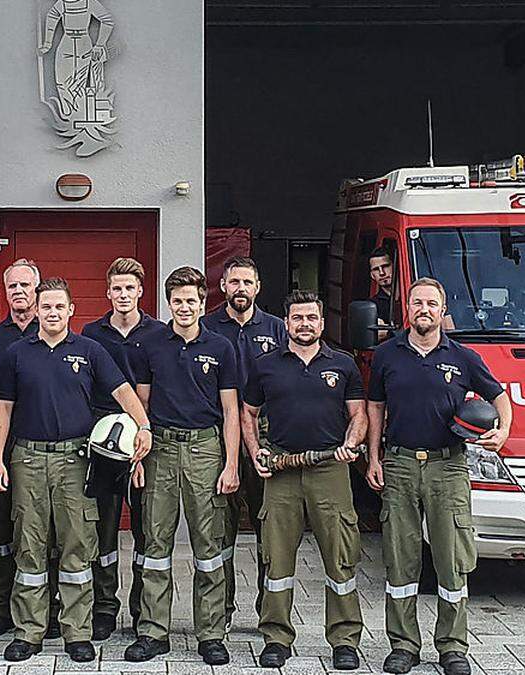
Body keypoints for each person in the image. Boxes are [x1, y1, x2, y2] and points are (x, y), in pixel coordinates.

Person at [0, 277, 153, 664]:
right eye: (46, 307)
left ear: (71, 310)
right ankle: (29, 631)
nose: (52, 313)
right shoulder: (16, 353)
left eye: (59, 307)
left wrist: (143, 427)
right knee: (29, 546)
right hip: (27, 459)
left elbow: (124, 392)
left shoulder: (90, 350)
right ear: (38, 309)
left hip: (75, 461)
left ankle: (77, 630)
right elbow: (3, 411)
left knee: (77, 546)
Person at [365, 278, 512, 675]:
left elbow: (499, 396)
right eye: (417, 303)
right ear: (407, 309)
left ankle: (452, 646)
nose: (423, 309)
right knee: (400, 559)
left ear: (442, 309)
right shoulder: (386, 355)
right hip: (399, 464)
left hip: (448, 467)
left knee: (451, 561)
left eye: (431, 303)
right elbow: (375, 407)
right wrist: (373, 456)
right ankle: (403, 645)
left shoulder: (463, 357)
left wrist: (504, 430)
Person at [241, 290, 365, 670]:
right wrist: (256, 451)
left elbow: (359, 414)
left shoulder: (343, 365)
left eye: (311, 318)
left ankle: (344, 640)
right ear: (287, 323)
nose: (305, 324)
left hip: (330, 470)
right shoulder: (266, 365)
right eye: (297, 318)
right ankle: (276, 638)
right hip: (282, 471)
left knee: (340, 559)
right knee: (276, 560)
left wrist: (351, 442)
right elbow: (248, 413)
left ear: (322, 323)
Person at [126, 266, 239, 666]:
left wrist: (231, 465)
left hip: (205, 450)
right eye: (177, 301)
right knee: (155, 544)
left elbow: (230, 410)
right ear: (168, 303)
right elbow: (141, 406)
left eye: (191, 300)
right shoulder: (151, 345)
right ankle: (153, 632)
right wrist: (137, 457)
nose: (184, 307)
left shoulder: (222, 347)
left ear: (203, 302)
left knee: (209, 546)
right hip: (160, 448)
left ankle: (210, 633)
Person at [77, 257, 164, 640]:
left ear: (141, 291)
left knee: (147, 531)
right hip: (103, 446)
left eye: (130, 288)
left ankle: (143, 610)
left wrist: (142, 448)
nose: (123, 295)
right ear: (107, 291)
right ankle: (104, 608)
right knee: (105, 532)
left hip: (145, 445)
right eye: (117, 288)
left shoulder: (158, 334)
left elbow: (155, 392)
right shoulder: (91, 334)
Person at [204, 256, 288, 628]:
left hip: (265, 435)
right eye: (233, 282)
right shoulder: (206, 327)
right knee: (220, 528)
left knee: (267, 527)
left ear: (257, 288)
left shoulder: (276, 328)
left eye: (247, 282)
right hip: (218, 436)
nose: (240, 288)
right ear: (222, 286)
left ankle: (267, 613)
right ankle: (220, 612)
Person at [0, 258, 51, 639]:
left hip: (42, 445)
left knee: (44, 532)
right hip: (5, 445)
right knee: (3, 530)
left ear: (37, 290)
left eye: (25, 285)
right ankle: (1, 608)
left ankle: (46, 608)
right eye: (12, 286)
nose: (18, 292)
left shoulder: (54, 330)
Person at [369, 248, 395, 325]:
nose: (381, 273)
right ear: (372, 275)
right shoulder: (373, 306)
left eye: (385, 266)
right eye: (376, 269)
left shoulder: (413, 297)